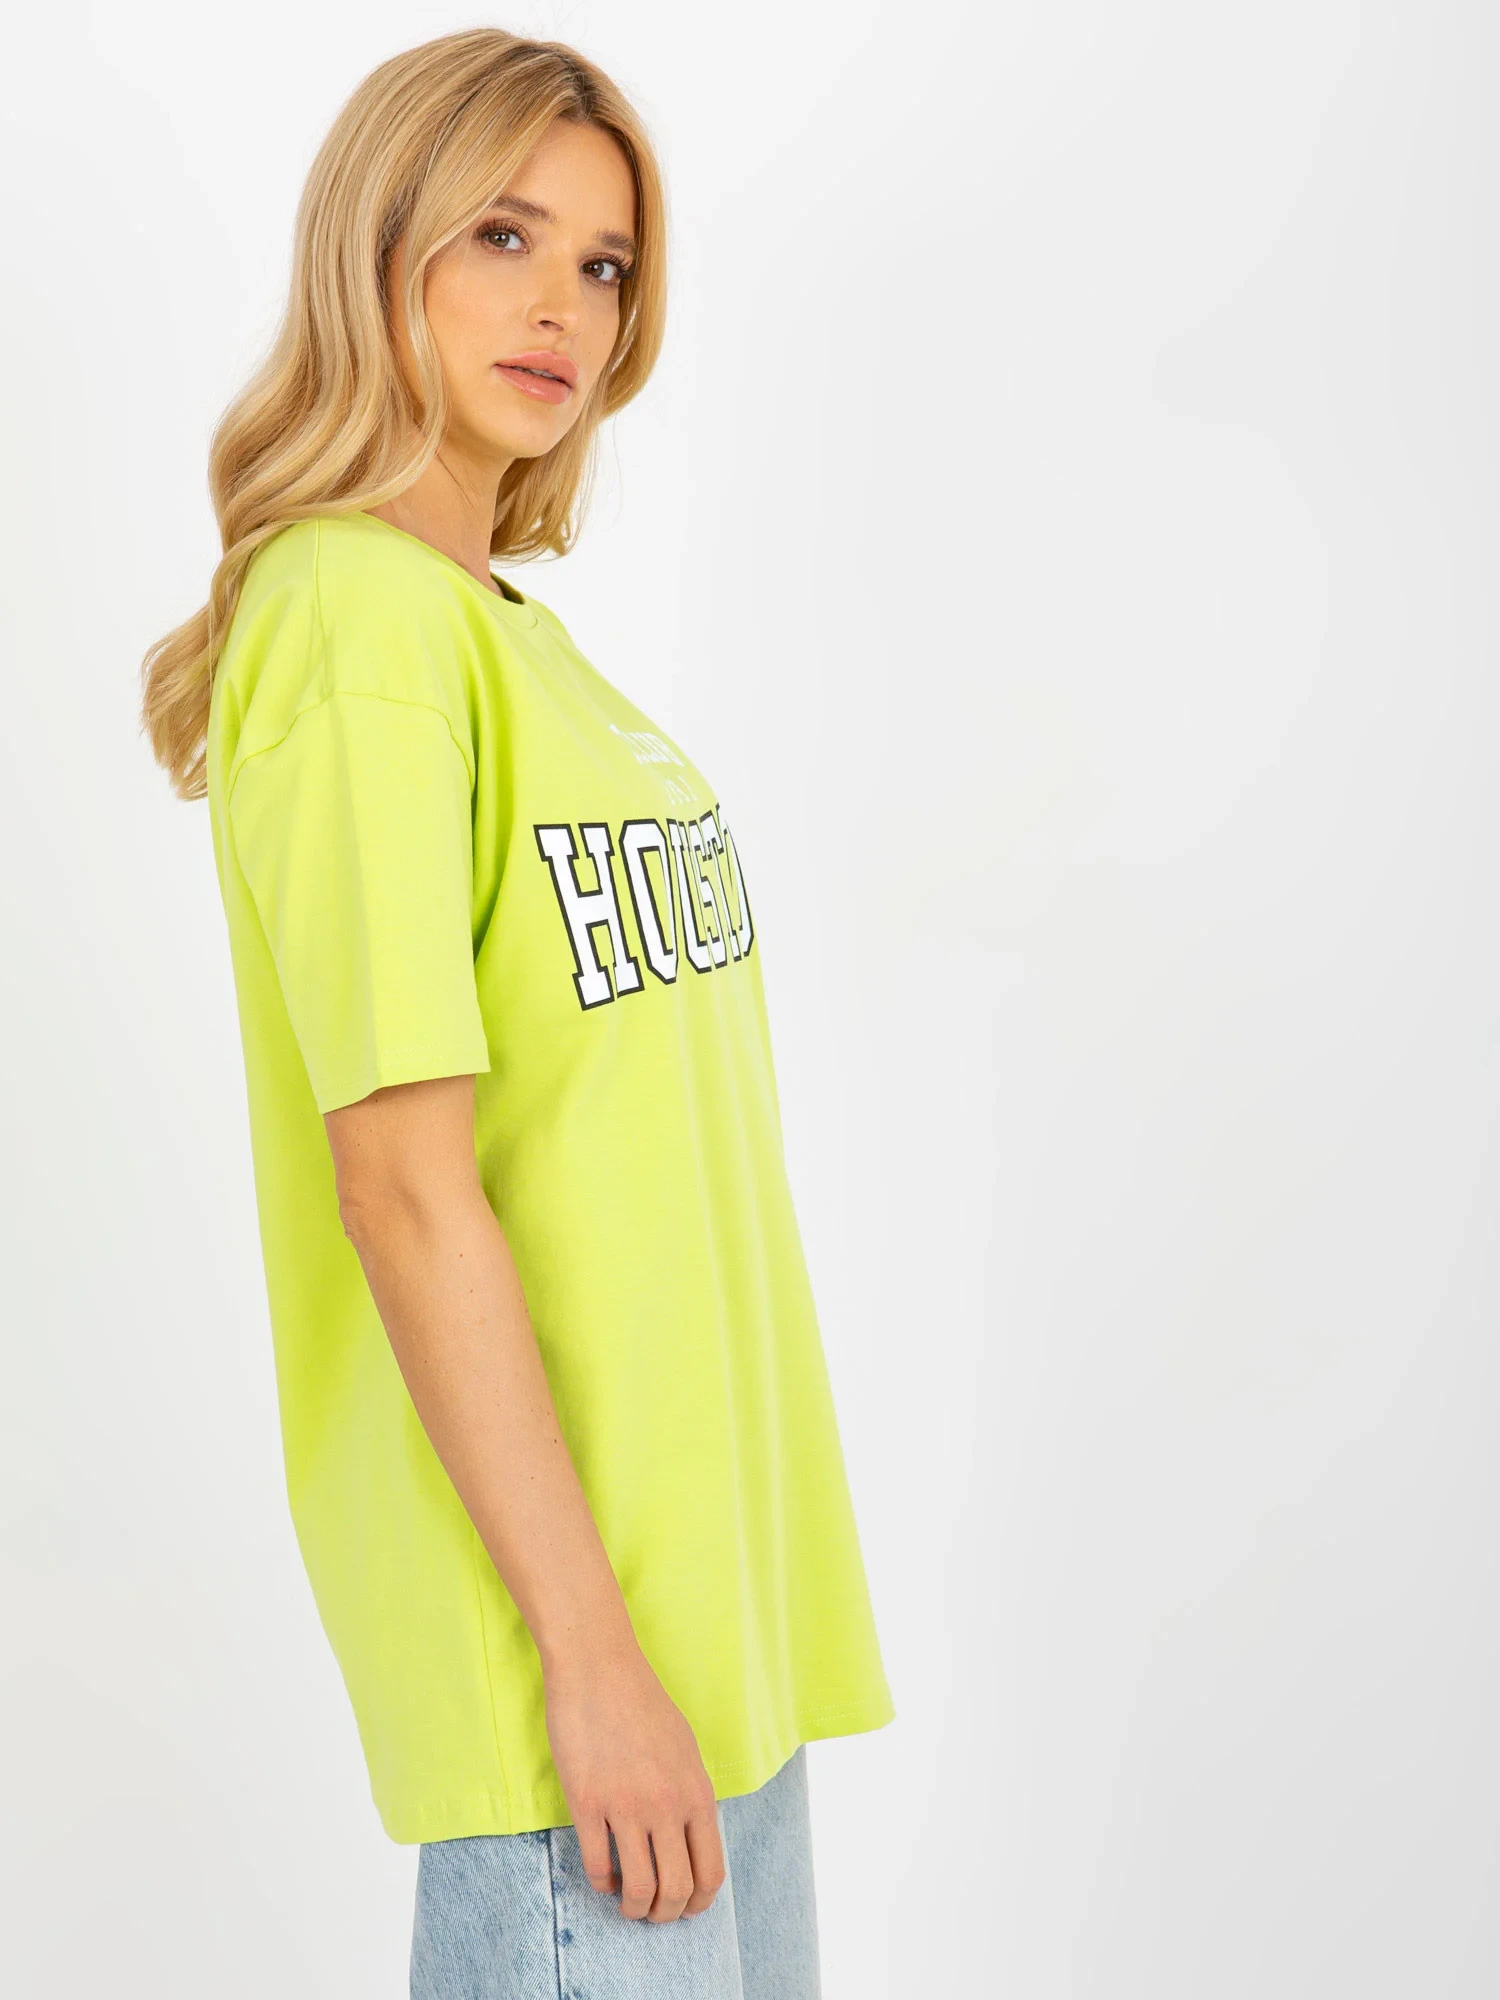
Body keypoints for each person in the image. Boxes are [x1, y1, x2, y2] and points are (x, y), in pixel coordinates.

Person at [139, 27, 894, 1998]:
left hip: (711, 1648)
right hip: (579, 1681)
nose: (562, 302)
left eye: (604, 262)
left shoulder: (518, 647)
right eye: (502, 234)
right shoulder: (351, 624)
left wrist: (670, 1650)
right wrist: (590, 1653)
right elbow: (401, 1187)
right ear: (377, 242)